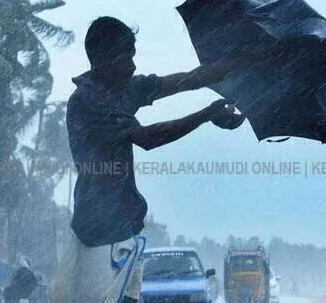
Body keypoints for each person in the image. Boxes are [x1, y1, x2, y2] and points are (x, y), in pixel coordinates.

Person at [52, 16, 245, 302]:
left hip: (125, 227)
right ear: (103, 59)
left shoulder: (121, 88)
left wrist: (238, 65)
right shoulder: (88, 100)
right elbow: (147, 138)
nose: (133, 65)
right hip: (98, 233)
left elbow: (184, 80)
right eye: (125, 57)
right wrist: (206, 114)